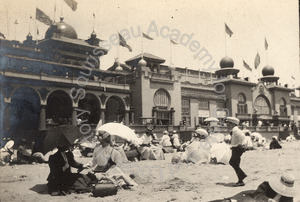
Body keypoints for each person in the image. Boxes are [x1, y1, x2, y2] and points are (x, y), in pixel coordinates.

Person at [226, 117, 247, 187]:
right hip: (238, 147)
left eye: (228, 123)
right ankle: (241, 178)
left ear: (233, 124)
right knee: (235, 163)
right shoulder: (235, 130)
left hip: (237, 148)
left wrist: (238, 145)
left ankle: (241, 178)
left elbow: (240, 139)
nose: (227, 125)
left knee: (233, 162)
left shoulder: (235, 130)